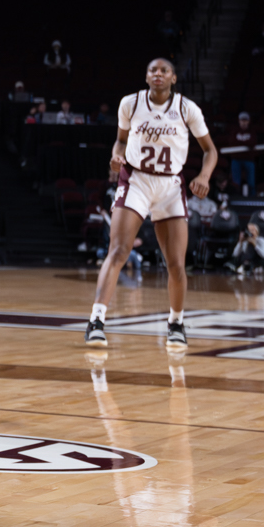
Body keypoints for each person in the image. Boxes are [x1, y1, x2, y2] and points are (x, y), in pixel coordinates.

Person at [84, 59, 218, 347]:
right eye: (153, 70)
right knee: (118, 250)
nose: (158, 74)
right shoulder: (130, 104)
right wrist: (116, 157)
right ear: (146, 77)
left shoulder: (187, 108)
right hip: (136, 180)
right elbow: (120, 141)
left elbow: (210, 150)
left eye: (164, 71)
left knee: (176, 264)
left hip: (170, 185)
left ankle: (176, 323)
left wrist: (205, 176)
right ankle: (96, 320)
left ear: (173, 79)